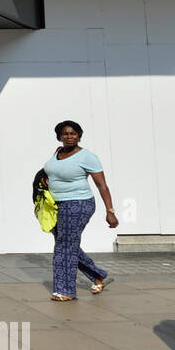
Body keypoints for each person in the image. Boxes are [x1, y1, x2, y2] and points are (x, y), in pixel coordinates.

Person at [40, 120, 117, 302]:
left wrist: (110, 210)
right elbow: (52, 171)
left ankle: (65, 291)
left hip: (78, 204)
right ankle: (98, 275)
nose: (69, 137)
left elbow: (102, 185)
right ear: (59, 136)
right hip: (55, 205)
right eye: (65, 134)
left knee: (64, 246)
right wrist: (45, 178)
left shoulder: (87, 157)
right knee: (66, 243)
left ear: (79, 135)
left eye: (73, 133)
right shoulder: (58, 152)